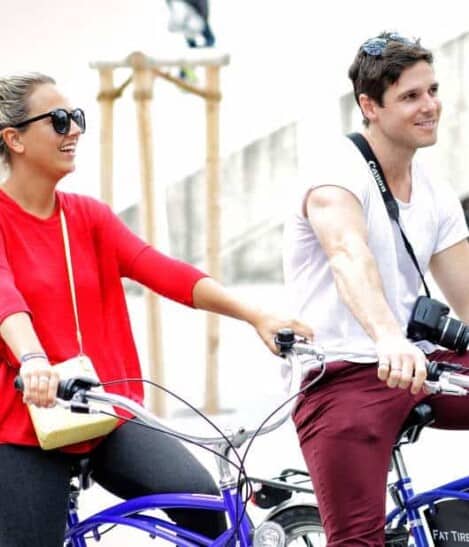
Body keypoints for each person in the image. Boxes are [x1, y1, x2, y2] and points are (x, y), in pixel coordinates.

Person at [0, 72, 313, 547]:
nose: (75, 130)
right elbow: (6, 297)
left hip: (103, 410)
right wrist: (34, 359)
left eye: (77, 118)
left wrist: (256, 315)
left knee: (204, 506)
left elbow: (162, 270)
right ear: (14, 139)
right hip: (24, 421)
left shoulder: (87, 216)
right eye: (60, 120)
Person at [283, 32, 469, 546]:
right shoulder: (334, 173)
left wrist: (408, 350)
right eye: (411, 96)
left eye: (432, 90)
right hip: (343, 374)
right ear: (369, 105)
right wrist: (388, 338)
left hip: (422, 365)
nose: (430, 106)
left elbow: (467, 293)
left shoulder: (433, 189)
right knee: (358, 540)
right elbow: (349, 255)